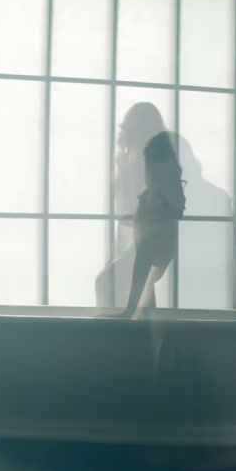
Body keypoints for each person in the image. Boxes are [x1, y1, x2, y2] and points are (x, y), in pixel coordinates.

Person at [96, 102, 168, 308]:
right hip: (131, 236)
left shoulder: (152, 164)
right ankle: (139, 326)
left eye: (133, 128)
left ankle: (112, 326)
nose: (127, 134)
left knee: (106, 282)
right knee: (140, 294)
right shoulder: (126, 162)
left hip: (151, 238)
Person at [112, 131, 186, 319]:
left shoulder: (166, 190)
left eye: (151, 168)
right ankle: (137, 315)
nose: (149, 173)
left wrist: (154, 213)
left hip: (156, 240)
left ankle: (131, 313)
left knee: (142, 275)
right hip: (150, 237)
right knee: (145, 284)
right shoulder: (155, 191)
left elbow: (177, 210)